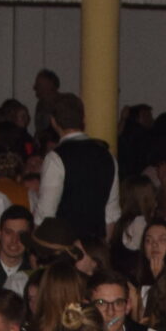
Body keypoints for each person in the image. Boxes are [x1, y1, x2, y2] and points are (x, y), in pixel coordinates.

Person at [34, 95, 120, 244]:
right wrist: (102, 248)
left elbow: (45, 215)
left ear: (53, 122)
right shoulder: (108, 157)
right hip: (95, 245)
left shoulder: (55, 158)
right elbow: (111, 214)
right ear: (83, 119)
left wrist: (38, 249)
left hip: (65, 247)